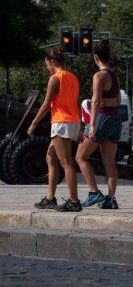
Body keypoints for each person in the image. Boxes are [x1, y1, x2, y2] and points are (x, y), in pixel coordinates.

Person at [28, 46, 82, 212]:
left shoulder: (55, 78)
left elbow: (46, 105)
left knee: (66, 163)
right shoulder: (72, 77)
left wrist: (33, 124)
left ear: (52, 61)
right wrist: (79, 127)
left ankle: (74, 201)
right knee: (50, 157)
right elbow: (76, 103)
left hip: (61, 122)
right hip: (72, 121)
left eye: (46, 63)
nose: (46, 67)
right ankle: (50, 198)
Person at [75, 39, 122, 210]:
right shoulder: (114, 75)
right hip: (116, 117)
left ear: (95, 57)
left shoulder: (99, 75)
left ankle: (94, 192)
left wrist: (92, 125)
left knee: (80, 157)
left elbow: (95, 101)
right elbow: (117, 99)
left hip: (102, 116)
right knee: (109, 162)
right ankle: (111, 198)